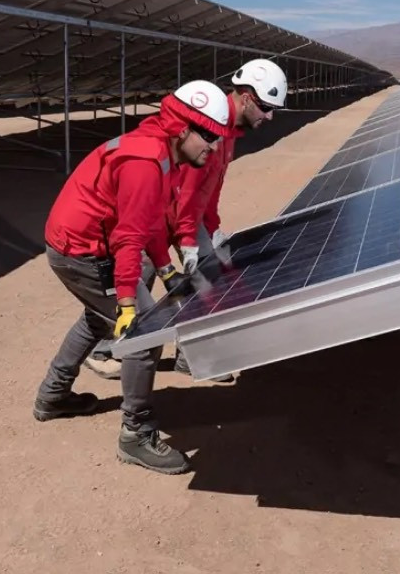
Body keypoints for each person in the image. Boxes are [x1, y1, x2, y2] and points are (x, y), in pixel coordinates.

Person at [32, 80, 231, 474]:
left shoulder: (164, 153)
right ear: (183, 128)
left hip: (83, 243)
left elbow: (150, 219)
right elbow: (129, 237)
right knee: (144, 336)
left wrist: (165, 268)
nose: (213, 146)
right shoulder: (146, 162)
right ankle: (135, 434)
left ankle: (53, 396)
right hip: (82, 252)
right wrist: (126, 304)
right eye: (208, 136)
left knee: (97, 319)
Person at [84, 58, 289, 381]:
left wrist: (213, 227)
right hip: (160, 221)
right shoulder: (209, 125)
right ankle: (103, 350)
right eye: (266, 107)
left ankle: (189, 357)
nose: (269, 116)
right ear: (247, 98)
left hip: (185, 222)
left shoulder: (229, 132)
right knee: (132, 289)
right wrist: (188, 241)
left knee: (198, 284)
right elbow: (186, 192)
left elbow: (212, 187)